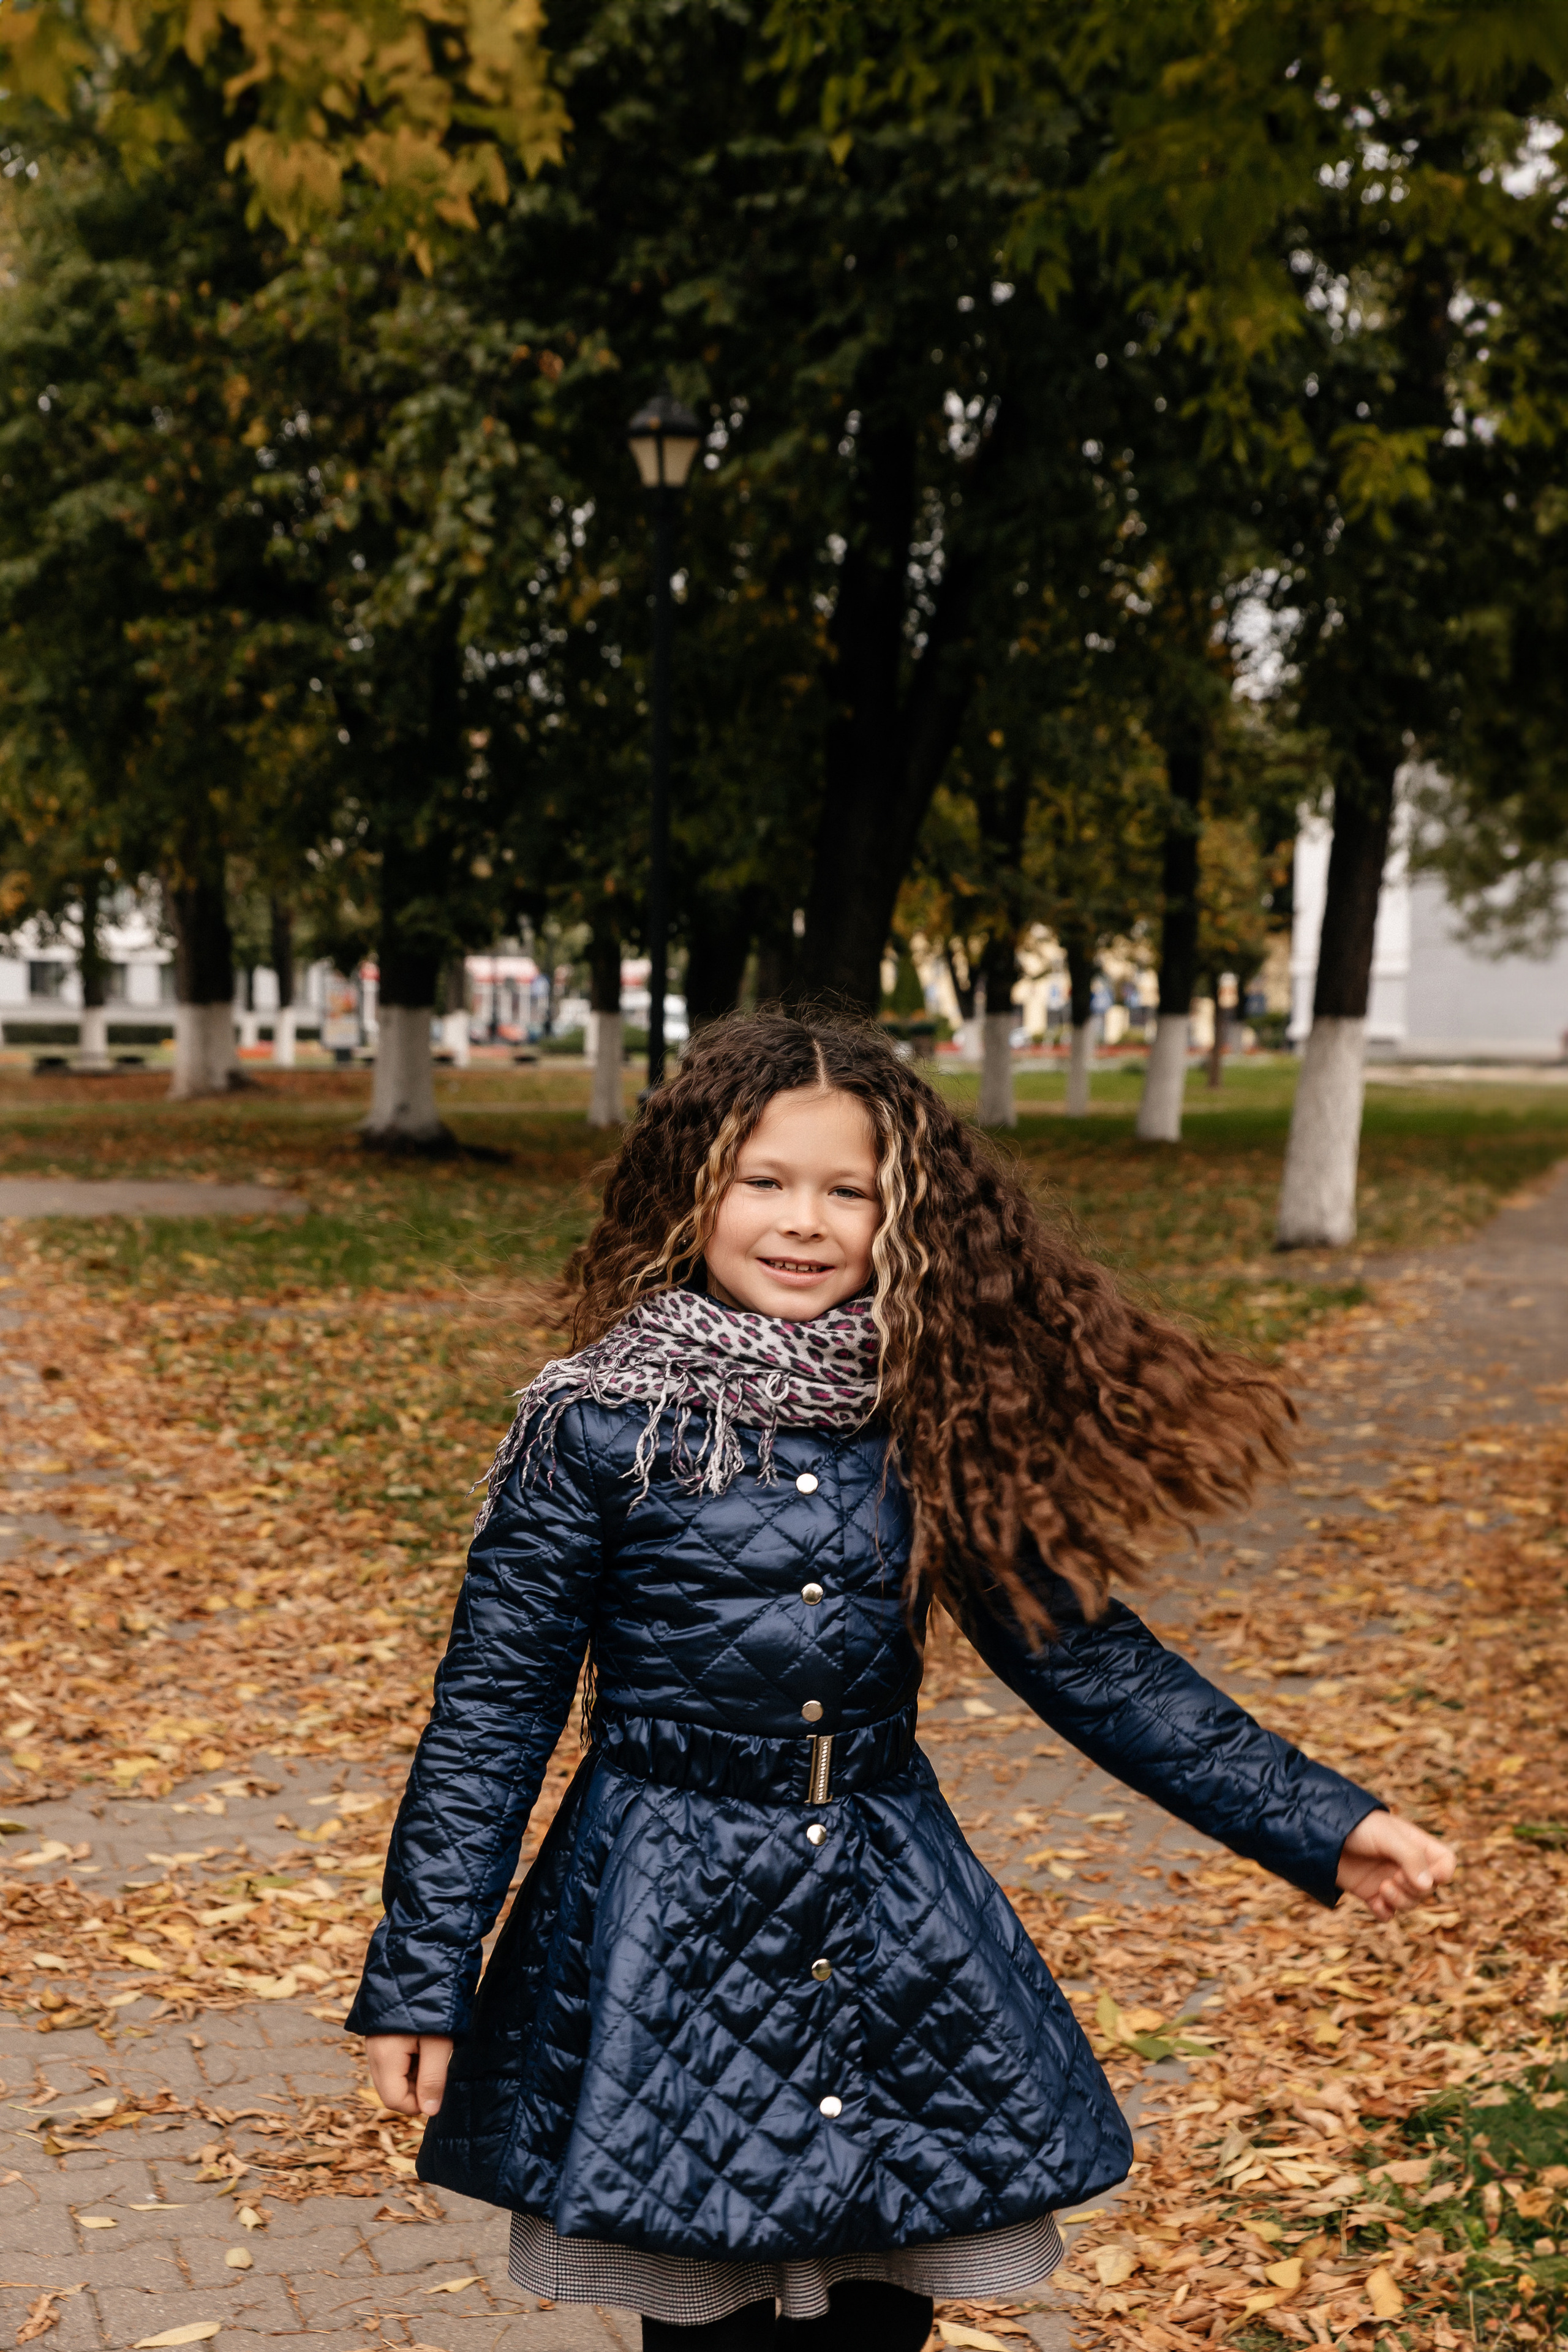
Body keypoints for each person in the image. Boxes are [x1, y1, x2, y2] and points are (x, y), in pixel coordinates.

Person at [348, 1011, 1455, 2351]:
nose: (800, 1221)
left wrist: (1320, 1820)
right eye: (763, 1180)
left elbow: (1090, 1663)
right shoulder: (596, 1423)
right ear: (692, 1188)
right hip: (663, 1915)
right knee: (709, 2302)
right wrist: (421, 1977)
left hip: (884, 1911)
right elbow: (491, 1711)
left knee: (885, 2301)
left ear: (901, 1214)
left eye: (845, 1190)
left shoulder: (928, 1415)